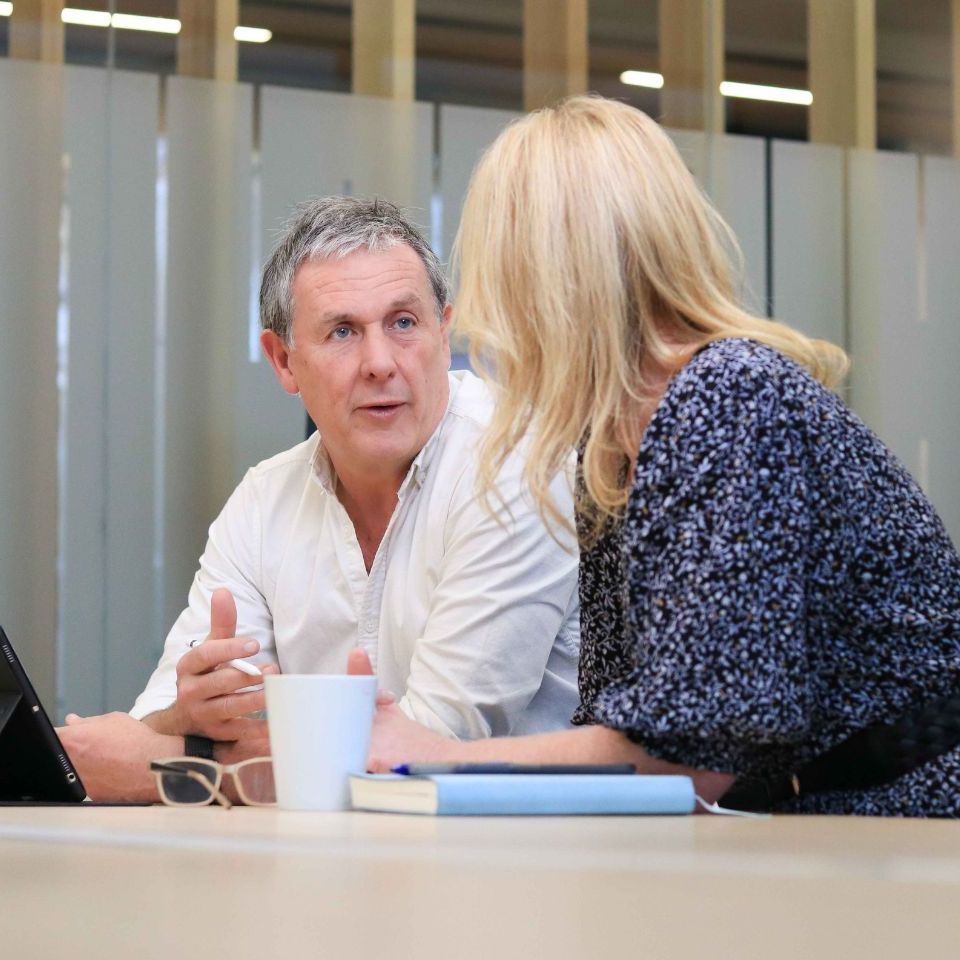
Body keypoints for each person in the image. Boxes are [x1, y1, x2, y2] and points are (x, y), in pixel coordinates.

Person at [353, 95, 960, 816]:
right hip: (820, 827)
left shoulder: (729, 398)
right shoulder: (609, 449)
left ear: (542, 272)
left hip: (911, 820)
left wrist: (436, 757)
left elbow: (691, 754)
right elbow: (628, 725)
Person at [59, 197, 580, 801]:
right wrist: (188, 721)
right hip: (328, 861)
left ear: (443, 330)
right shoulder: (264, 498)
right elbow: (163, 716)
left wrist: (170, 768)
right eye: (342, 332)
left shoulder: (514, 462)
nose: (381, 362)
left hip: (520, 865)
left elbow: (431, 745)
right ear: (284, 360)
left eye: (404, 323)